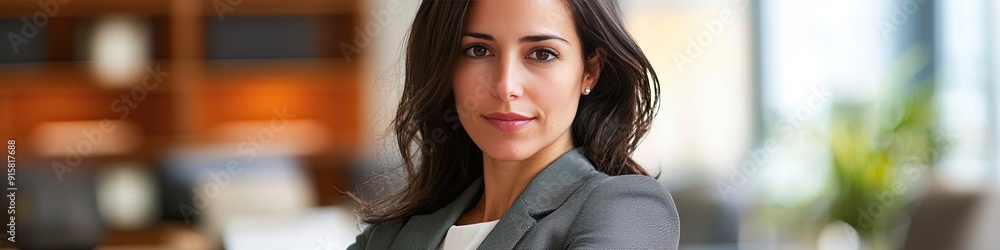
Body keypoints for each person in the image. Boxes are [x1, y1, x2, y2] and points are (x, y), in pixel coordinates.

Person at [349, 0, 679, 249]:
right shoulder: (390, 236)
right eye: (478, 50)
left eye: (542, 54)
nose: (506, 86)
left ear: (590, 71)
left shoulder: (627, 210)